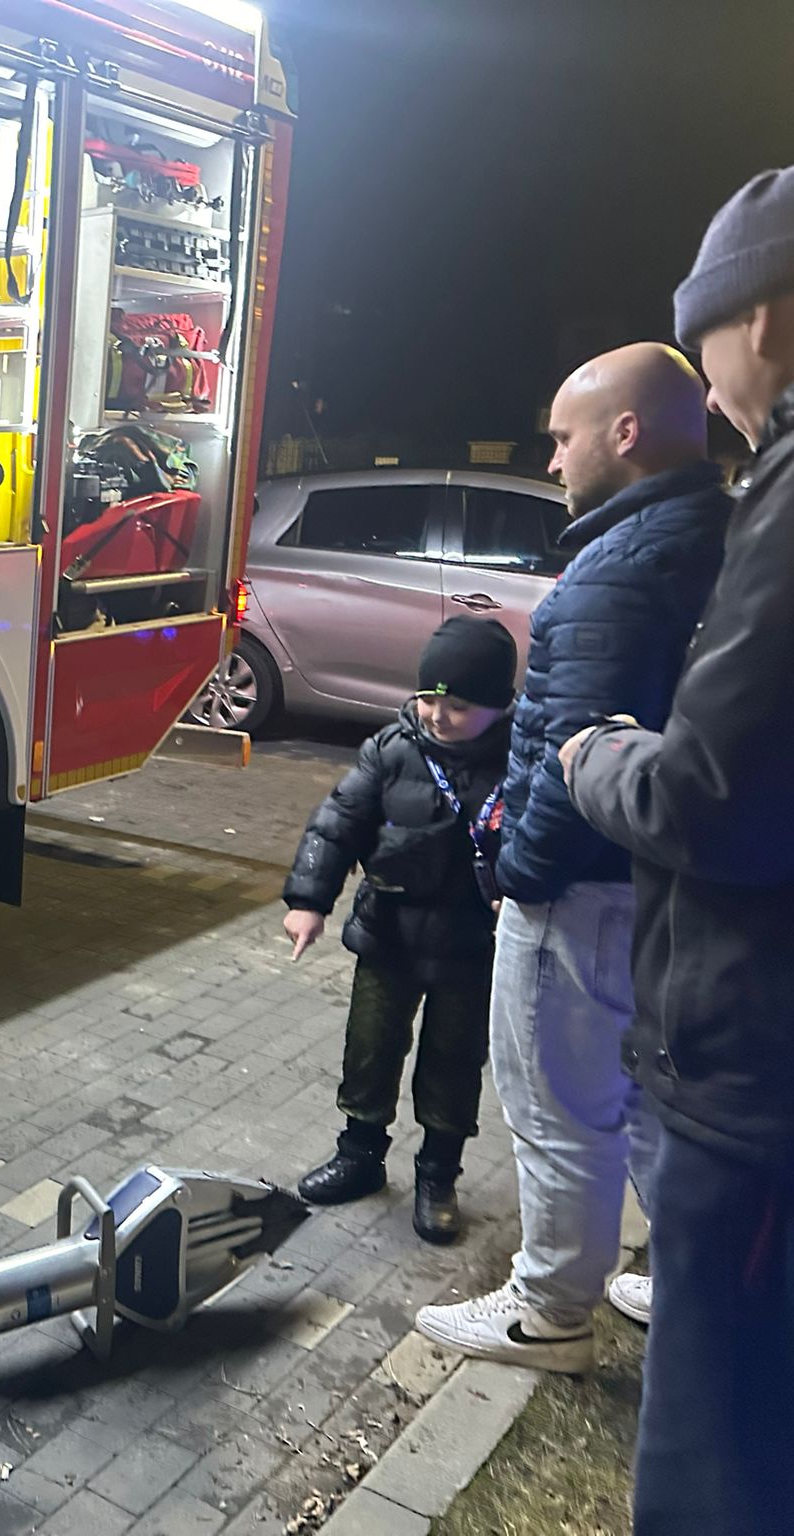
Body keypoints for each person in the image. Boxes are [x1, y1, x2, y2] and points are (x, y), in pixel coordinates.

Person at [416, 345, 731, 1373]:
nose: (551, 460)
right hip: (656, 886)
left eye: (562, 437)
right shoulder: (717, 531)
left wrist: (518, 873)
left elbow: (573, 742)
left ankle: (548, 1311)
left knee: (557, 1103)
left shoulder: (619, 565)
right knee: (644, 1097)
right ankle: (687, 1282)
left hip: (579, 887)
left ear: (623, 432)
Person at [560, 166, 794, 1536]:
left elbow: (714, 793)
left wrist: (595, 756)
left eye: (705, 339)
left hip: (756, 1077)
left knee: (719, 1458)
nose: (709, 384)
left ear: (760, 316)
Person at [283, 619, 516, 1244]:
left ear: (497, 706)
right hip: (389, 933)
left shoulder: (519, 762)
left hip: (471, 946)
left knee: (455, 1062)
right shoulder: (391, 749)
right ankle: (359, 1154)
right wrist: (309, 899)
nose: (438, 715)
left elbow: (539, 840)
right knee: (370, 1048)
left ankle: (438, 1175)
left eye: (458, 705)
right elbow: (337, 823)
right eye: (430, 698)